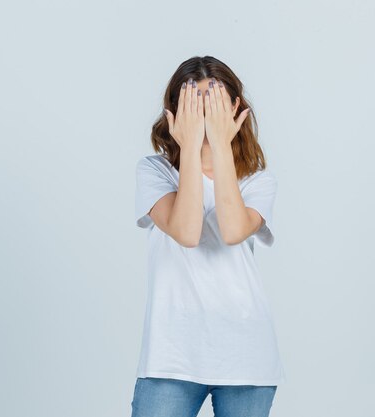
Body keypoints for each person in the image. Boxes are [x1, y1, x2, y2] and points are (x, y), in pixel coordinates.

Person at [131, 56, 286, 417]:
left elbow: (233, 231)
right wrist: (189, 147)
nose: (203, 112)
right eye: (192, 102)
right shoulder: (154, 172)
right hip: (171, 358)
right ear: (174, 111)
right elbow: (186, 231)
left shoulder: (258, 181)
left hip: (246, 355)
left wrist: (218, 144)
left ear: (234, 108)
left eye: (213, 101)